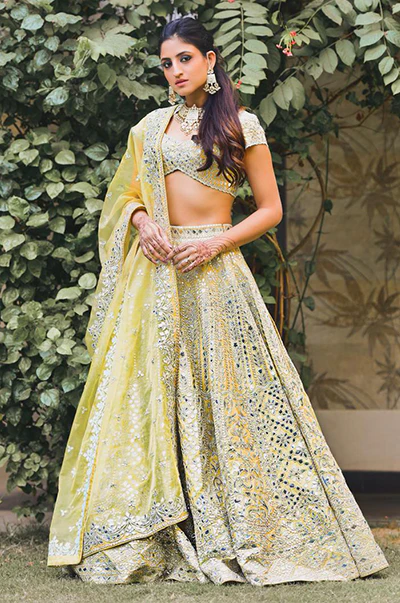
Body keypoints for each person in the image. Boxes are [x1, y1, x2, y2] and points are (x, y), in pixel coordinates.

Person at [46, 15, 389, 586]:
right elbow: (125, 193)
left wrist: (214, 244)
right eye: (166, 63)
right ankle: (152, 530)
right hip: (155, 276)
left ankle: (243, 526)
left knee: (229, 397)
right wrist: (141, 220)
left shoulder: (240, 124)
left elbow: (270, 210)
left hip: (215, 273)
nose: (175, 71)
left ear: (210, 60)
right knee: (147, 397)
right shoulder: (150, 127)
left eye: (184, 58)